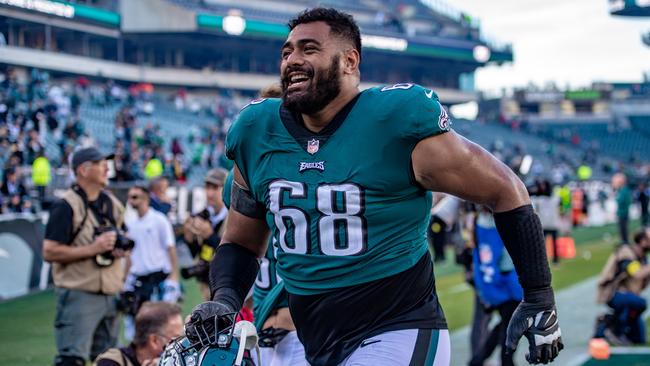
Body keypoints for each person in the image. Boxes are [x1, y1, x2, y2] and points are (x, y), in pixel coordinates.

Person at [189, 8, 563, 366]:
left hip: (398, 325)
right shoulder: (256, 130)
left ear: (350, 62)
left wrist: (538, 295)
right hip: (313, 337)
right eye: (287, 51)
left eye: (309, 49)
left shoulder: (395, 120)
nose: (292, 60)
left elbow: (505, 189)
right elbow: (240, 242)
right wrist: (225, 300)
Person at [42, 147, 127, 366]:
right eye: (100, 163)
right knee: (72, 360)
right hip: (79, 293)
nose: (107, 167)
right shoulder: (66, 205)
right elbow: (49, 251)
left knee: (111, 361)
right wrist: (93, 248)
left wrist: (118, 249)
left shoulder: (112, 204)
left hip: (110, 292)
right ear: (83, 170)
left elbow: (123, 238)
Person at [123, 185, 180, 340]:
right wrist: (125, 279)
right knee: (137, 327)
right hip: (139, 281)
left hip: (158, 278)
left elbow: (171, 248)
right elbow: (129, 255)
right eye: (129, 197)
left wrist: (174, 277)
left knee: (162, 325)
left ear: (146, 199)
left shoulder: (159, 220)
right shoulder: (130, 223)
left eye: (135, 197)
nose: (131, 201)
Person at [469, 208, 523, 366]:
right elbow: (506, 260)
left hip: (490, 282)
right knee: (511, 325)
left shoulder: (478, 222)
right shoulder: (497, 222)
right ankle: (504, 361)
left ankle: (478, 360)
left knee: (506, 324)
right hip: (505, 284)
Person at [597, 229, 650, 344]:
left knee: (639, 340)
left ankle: (607, 323)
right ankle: (613, 329)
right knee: (641, 303)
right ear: (642, 241)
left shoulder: (643, 258)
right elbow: (637, 273)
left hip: (629, 296)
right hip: (612, 293)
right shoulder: (626, 253)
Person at [182, 168, 228, 300]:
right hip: (206, 283)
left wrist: (210, 235)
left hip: (227, 283)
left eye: (215, 188)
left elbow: (232, 252)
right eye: (207, 187)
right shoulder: (203, 215)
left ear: (227, 189)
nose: (210, 193)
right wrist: (189, 239)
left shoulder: (234, 216)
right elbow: (196, 253)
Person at [93, 302, 184, 366]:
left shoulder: (177, 361)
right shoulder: (111, 362)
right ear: (154, 340)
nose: (181, 343)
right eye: (175, 338)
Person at [613, 173, 632, 244]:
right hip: (622, 213)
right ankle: (624, 241)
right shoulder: (621, 190)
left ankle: (625, 242)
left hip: (623, 213)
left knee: (623, 229)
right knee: (622, 229)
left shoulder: (624, 190)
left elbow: (623, 201)